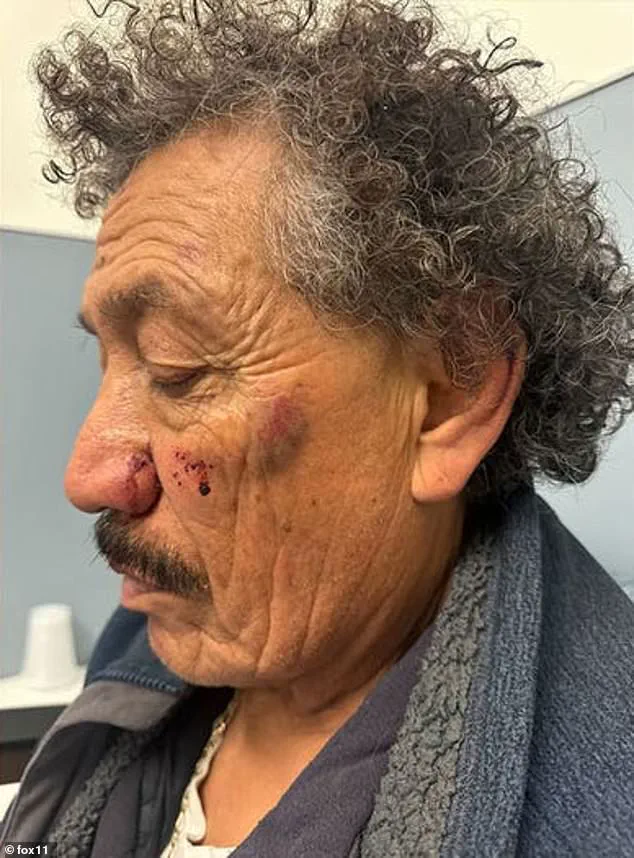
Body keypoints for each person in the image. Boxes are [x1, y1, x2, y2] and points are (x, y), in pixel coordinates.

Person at [2, 1, 633, 855]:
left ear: (449, 397)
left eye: (178, 367)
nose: (86, 476)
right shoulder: (158, 634)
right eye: (107, 361)